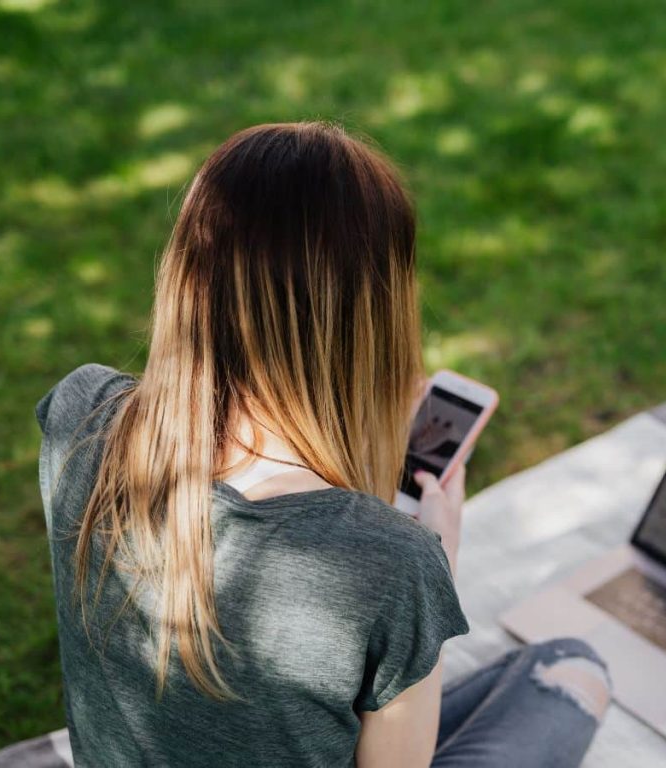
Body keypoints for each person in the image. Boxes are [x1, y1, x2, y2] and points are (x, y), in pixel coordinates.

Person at [34, 122, 611, 768]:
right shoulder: (395, 565)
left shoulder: (77, 413)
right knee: (570, 669)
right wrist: (436, 562)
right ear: (373, 317)